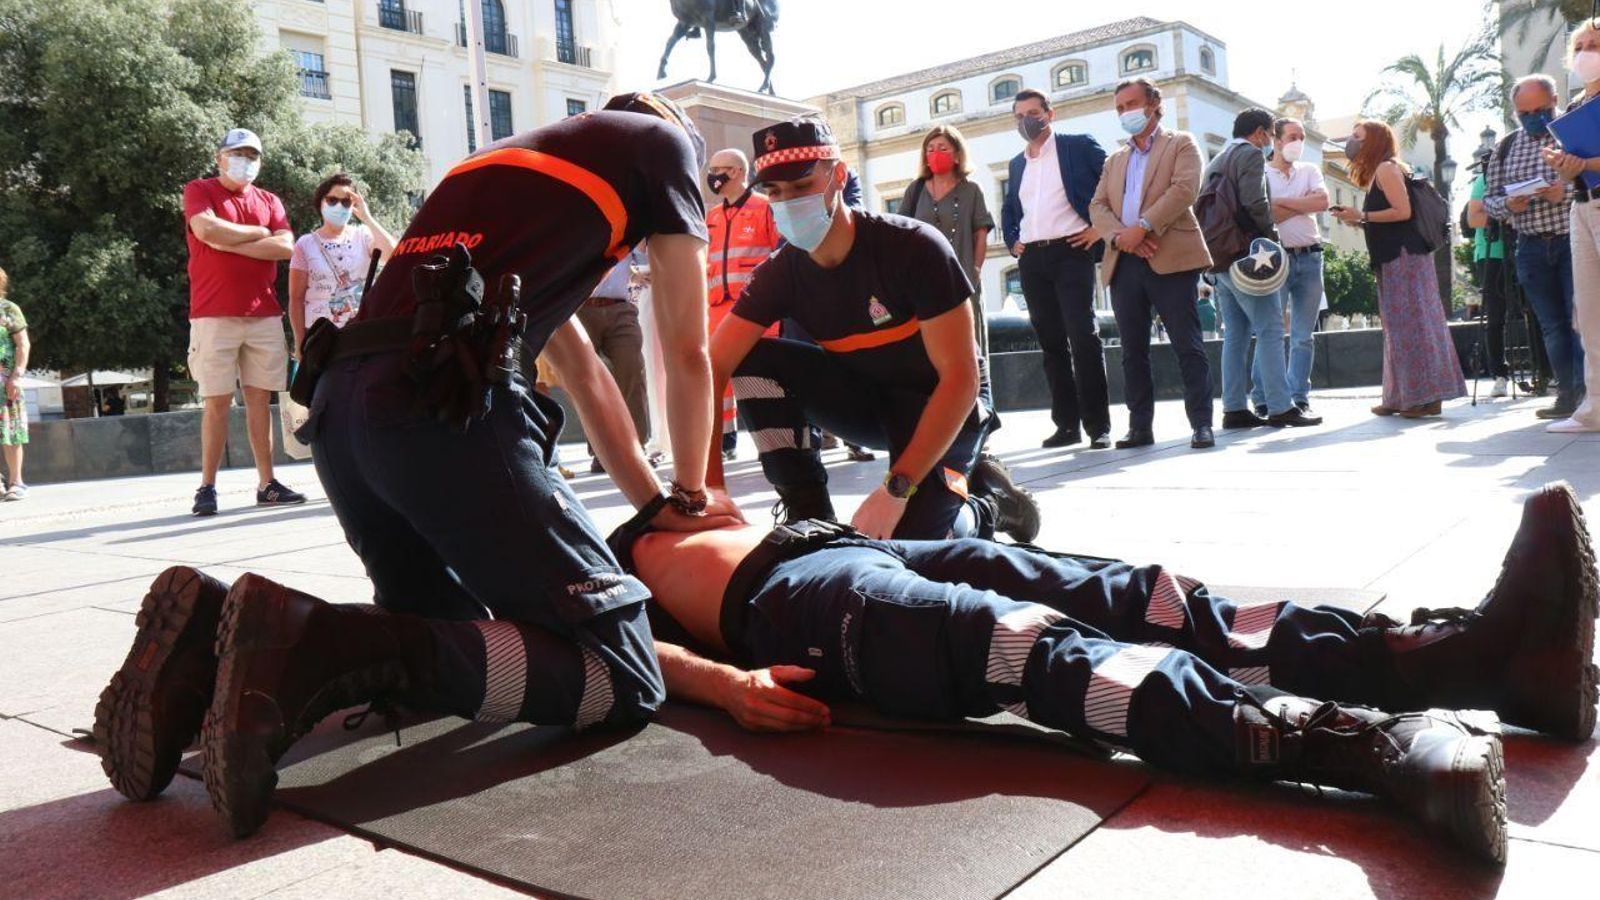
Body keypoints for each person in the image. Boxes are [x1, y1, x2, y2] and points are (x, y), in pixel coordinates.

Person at [93, 93, 740, 838]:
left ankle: (206, 649)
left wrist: (653, 506)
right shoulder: (663, 146)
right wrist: (690, 497)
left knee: (451, 640)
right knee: (620, 677)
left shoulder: (502, 167)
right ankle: (306, 640)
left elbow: (587, 373)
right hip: (441, 413)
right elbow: (689, 349)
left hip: (346, 414)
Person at [609, 479, 1600, 866]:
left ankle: (1475, 664)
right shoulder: (571, 550)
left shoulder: (686, 495)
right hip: (793, 613)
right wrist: (717, 684)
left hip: (857, 554)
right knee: (1037, 652)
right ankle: (1364, 749)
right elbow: (602, 644)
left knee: (1150, 599)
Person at [709, 117, 1039, 544]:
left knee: (917, 542)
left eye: (802, 187)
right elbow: (711, 366)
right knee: (753, 359)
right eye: (774, 193)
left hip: (943, 406)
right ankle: (807, 508)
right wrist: (708, 488)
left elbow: (960, 378)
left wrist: (896, 488)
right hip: (866, 401)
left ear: (838, 176)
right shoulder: (781, 272)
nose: (788, 203)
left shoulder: (914, 248)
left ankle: (989, 502)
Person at [183, 128, 305, 516]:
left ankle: (266, 484)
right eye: (237, 154)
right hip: (213, 312)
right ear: (220, 157)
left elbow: (286, 246)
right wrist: (258, 234)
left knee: (259, 400)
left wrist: (228, 238)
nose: (245, 162)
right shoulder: (199, 190)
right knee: (216, 401)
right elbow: (205, 229)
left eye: (252, 156)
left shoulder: (269, 199)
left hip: (264, 313)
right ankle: (207, 486)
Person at [1087, 78, 1215, 450]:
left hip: (1171, 257)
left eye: (1132, 103)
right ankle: (1139, 427)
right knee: (1132, 351)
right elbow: (1097, 206)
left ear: (1154, 103)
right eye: (1120, 107)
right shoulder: (1116, 159)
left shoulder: (1181, 144)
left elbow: (1184, 189)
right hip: (1125, 261)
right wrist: (1122, 236)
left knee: (1187, 344)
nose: (1126, 112)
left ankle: (1202, 424)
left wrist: (1142, 227)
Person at [1333, 122, 1466, 418]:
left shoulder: (1387, 169)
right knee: (1402, 326)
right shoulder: (1385, 170)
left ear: (1375, 142)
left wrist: (1363, 215)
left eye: (1357, 137)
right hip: (1395, 257)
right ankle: (1404, 396)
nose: (1351, 143)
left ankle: (1420, 397)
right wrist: (1359, 219)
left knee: (1411, 325)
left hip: (1403, 257)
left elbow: (1402, 212)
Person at [1002, 90, 1112, 449]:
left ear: (1051, 113)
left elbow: (1114, 181)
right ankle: (1066, 426)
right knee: (1051, 344)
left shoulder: (1076, 146)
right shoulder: (1017, 163)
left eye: (1033, 112)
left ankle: (1099, 427)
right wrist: (1012, 240)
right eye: (1020, 116)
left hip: (1071, 250)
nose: (1027, 121)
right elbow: (1010, 208)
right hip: (1032, 259)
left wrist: (1101, 227)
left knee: (1083, 336)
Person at [1206, 108, 1320, 431]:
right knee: (1270, 328)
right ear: (1259, 133)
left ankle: (1234, 408)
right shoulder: (1251, 155)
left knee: (1236, 335)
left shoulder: (1217, 160)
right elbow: (1255, 203)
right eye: (1270, 134)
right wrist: (1272, 242)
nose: (1270, 141)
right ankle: (1281, 406)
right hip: (1247, 257)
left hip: (1221, 259)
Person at [1484, 75, 1584, 423]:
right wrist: (1511, 204)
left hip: (1574, 241)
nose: (1531, 118)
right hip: (1529, 247)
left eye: (1539, 110)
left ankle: (1589, 395)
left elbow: (1593, 181)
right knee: (1552, 325)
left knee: (1582, 321)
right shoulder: (1506, 146)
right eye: (1523, 113)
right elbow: (1490, 201)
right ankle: (1567, 395)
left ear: (1555, 100)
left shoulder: (1572, 134)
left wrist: (1565, 193)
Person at [705, 148, 783, 461]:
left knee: (765, 373)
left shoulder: (764, 208)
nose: (712, 177)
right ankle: (726, 441)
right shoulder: (711, 215)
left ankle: (775, 438)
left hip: (756, 308)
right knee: (718, 377)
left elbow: (779, 253)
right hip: (717, 307)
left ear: (737, 172)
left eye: (717, 169)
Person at [1543, 24, 1600, 433]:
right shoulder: (1576, 106)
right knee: (1591, 313)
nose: (1585, 52)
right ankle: (1595, 406)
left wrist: (1586, 164)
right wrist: (1565, 167)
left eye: (1594, 44)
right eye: (1579, 46)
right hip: (1580, 207)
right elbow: (1572, 173)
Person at [1257, 116, 1333, 417]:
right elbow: (1266, 215)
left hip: (1311, 257)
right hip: (1276, 259)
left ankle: (1299, 396)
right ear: (1276, 141)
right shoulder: (1262, 173)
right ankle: (1262, 396)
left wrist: (1283, 204)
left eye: (1301, 136)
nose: (1298, 142)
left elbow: (1323, 202)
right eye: (1292, 137)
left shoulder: (1310, 170)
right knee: (1270, 332)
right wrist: (1302, 202)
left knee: (1303, 335)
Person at [906, 125, 997, 359]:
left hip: (963, 280)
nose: (935, 153)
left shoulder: (972, 190)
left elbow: (981, 232)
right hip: (923, 284)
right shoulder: (915, 190)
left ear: (957, 154)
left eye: (942, 148)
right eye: (930, 149)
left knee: (970, 349)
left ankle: (977, 395)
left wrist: (975, 269)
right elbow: (902, 231)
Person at [288, 173, 397, 355]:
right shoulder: (305, 244)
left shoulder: (363, 235)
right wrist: (299, 343)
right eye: (332, 200)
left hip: (359, 333)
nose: (339, 206)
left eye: (346, 202)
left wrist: (368, 218)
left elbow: (393, 255)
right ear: (321, 202)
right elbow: (296, 299)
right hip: (318, 337)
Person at [580, 246, 656, 474]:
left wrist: (641, 264)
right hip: (581, 310)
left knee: (632, 371)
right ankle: (601, 454)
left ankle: (637, 448)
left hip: (621, 308)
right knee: (589, 382)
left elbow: (647, 266)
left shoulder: (628, 229)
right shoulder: (578, 231)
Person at [1466, 149, 1512, 398]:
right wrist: (1508, 214)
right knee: (1495, 318)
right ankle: (1500, 375)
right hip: (1491, 253)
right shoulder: (1483, 180)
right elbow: (1473, 218)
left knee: (1538, 312)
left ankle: (1549, 372)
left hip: (1522, 248)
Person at [0, 267, 29, 501]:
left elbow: (23, 344)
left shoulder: (9, 309)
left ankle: (16, 481)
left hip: (5, 381)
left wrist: (17, 374)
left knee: (11, 431)